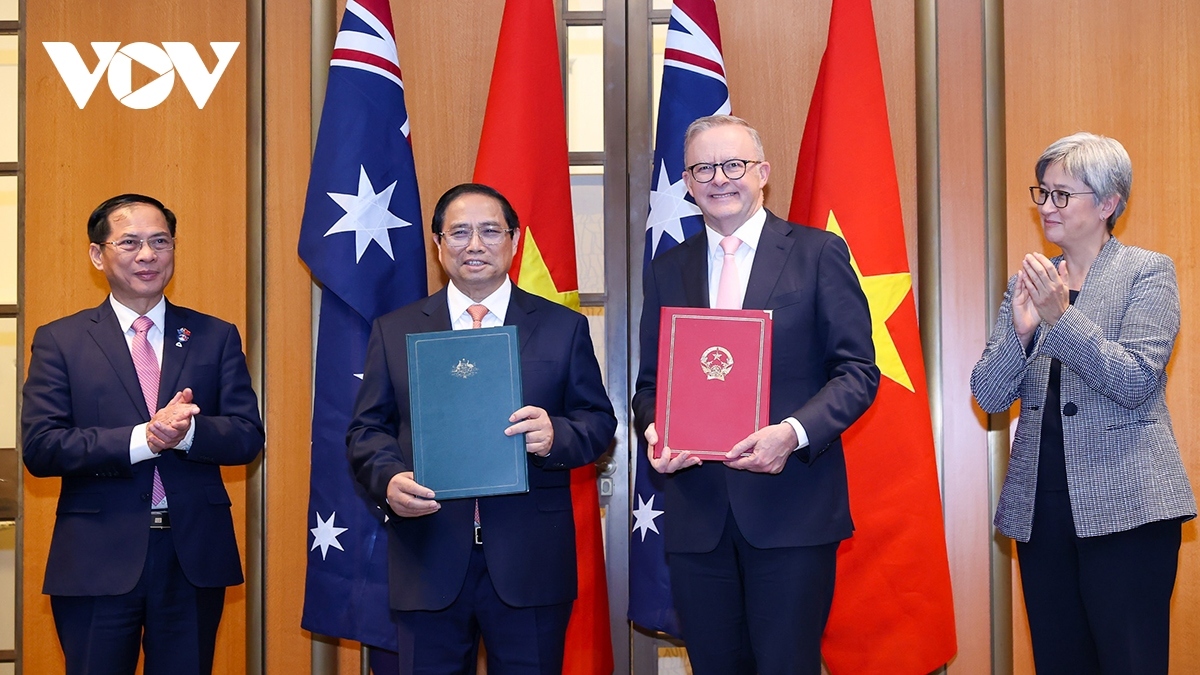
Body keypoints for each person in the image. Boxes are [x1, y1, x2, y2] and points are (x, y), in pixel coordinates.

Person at [632, 115, 879, 675]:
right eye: (703, 168)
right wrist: (657, 430)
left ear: (763, 173)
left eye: (733, 165)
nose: (720, 178)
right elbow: (651, 384)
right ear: (688, 184)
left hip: (792, 510)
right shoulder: (667, 268)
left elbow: (858, 372)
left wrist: (790, 435)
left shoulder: (817, 254)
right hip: (698, 515)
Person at [346, 183, 616, 674]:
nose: (475, 245)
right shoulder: (396, 328)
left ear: (513, 241)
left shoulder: (562, 326)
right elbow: (367, 431)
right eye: (460, 232)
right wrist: (387, 479)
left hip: (530, 562)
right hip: (427, 557)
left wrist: (556, 435)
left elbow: (598, 423)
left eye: (491, 231)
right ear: (437, 243)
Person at [971, 132, 1195, 674]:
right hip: (1042, 510)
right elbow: (989, 395)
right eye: (1042, 192)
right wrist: (1022, 335)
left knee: (1130, 661)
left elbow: (1139, 380)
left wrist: (1060, 320)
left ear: (1108, 203)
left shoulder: (1147, 272)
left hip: (1129, 510)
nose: (1046, 206)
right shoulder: (1027, 283)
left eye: (1061, 194)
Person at [21, 193, 265, 675]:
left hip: (191, 557)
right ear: (98, 254)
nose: (148, 255)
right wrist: (144, 439)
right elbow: (42, 446)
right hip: (97, 557)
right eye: (129, 242)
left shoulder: (214, 336)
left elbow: (246, 436)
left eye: (160, 241)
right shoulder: (61, 340)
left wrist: (186, 434)